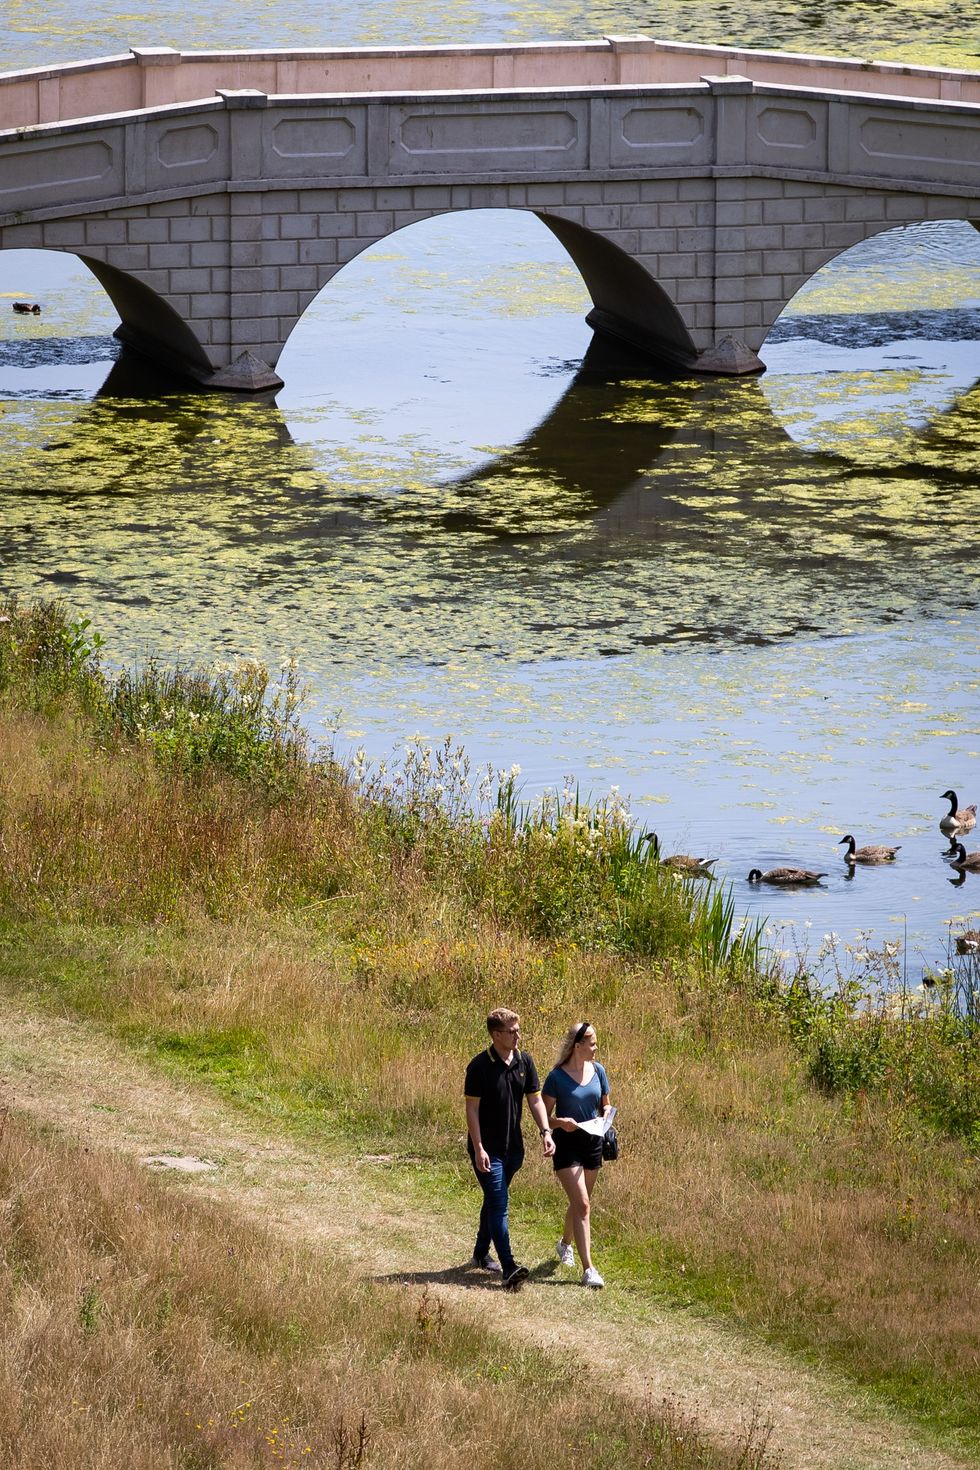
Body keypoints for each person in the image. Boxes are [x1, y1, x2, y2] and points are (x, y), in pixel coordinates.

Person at [464, 1007, 555, 1289]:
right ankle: (509, 1267)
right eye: (512, 1031)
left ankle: (480, 1253)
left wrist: (546, 1132)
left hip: (514, 1149)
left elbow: (535, 1100)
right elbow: (472, 1111)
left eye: (518, 1029)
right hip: (488, 1150)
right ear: (496, 1035)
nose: (518, 1035)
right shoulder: (479, 1067)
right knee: (499, 1205)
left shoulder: (524, 1061)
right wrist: (478, 1148)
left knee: (494, 1199)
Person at [542, 1021, 612, 1289]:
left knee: (581, 1202)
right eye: (592, 1043)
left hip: (593, 1141)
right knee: (582, 1204)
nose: (596, 1048)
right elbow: (543, 1117)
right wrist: (561, 1122)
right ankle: (589, 1270)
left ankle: (565, 1244)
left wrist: (606, 1114)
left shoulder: (599, 1071)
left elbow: (605, 1104)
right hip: (566, 1145)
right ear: (577, 1046)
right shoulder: (556, 1077)